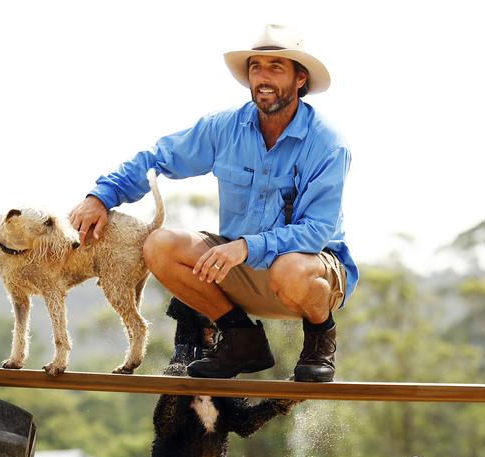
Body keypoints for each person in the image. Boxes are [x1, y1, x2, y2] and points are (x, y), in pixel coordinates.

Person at [69, 24, 355, 382]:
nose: (263, 77)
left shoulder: (327, 143)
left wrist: (245, 247)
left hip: (307, 275)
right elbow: (158, 157)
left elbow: (317, 231)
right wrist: (101, 196)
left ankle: (320, 340)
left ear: (300, 79)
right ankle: (240, 337)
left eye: (275, 68)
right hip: (239, 270)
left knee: (290, 269)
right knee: (159, 245)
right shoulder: (224, 128)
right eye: (256, 67)